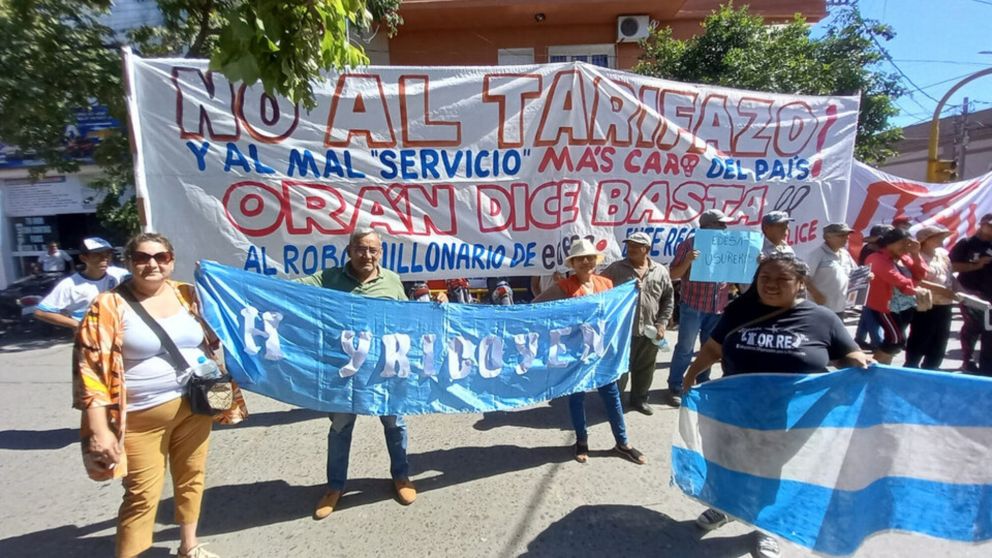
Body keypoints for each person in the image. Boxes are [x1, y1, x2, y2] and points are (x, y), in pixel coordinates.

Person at [682, 252, 871, 558]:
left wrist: (861, 363)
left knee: (772, 475)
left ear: (800, 283)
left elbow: (848, 354)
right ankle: (726, 507)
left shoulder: (822, 319)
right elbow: (713, 348)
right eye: (764, 278)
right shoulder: (738, 311)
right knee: (727, 464)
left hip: (790, 420)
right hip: (734, 412)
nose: (770, 285)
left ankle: (767, 527)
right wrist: (691, 375)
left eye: (782, 279)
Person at [73, 232, 247, 558]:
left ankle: (189, 546)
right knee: (142, 495)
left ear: (171, 261)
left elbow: (212, 338)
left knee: (192, 477)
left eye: (160, 257)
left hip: (196, 405)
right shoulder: (108, 305)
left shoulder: (186, 294)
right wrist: (98, 430)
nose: (151, 264)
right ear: (128, 262)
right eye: (142, 257)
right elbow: (90, 372)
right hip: (141, 417)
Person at [296, 229, 417, 519]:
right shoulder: (328, 279)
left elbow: (407, 316)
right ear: (349, 250)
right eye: (361, 249)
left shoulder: (391, 280)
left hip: (383, 368)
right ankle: (335, 487)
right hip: (343, 371)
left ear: (381, 253)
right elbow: (289, 291)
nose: (367, 256)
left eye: (373, 250)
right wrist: (241, 283)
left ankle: (401, 477)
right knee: (340, 429)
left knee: (395, 425)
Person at [533, 239, 646, 465]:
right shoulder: (565, 287)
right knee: (577, 397)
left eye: (590, 257)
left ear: (596, 260)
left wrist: (634, 291)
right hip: (576, 353)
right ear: (572, 263)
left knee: (612, 395)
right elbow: (538, 306)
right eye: (580, 258)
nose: (586, 261)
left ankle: (622, 443)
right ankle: (582, 442)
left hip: (602, 352)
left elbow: (617, 311)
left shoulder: (605, 283)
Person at [601, 231, 675, 415]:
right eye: (630, 245)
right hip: (622, 331)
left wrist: (662, 323)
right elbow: (600, 292)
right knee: (620, 369)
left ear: (647, 249)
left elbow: (668, 299)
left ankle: (639, 399)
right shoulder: (616, 269)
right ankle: (614, 402)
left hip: (650, 330)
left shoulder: (660, 271)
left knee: (646, 367)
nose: (631, 249)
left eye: (636, 246)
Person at [665, 209, 733, 407]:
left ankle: (702, 383)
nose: (725, 228)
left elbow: (736, 274)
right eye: (721, 225)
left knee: (709, 348)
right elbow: (673, 274)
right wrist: (687, 261)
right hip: (693, 305)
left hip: (717, 306)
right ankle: (675, 385)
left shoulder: (729, 245)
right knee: (685, 348)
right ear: (709, 226)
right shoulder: (688, 244)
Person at [864, 228, 928, 365]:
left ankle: (884, 369)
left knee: (893, 341)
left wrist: (916, 254)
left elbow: (920, 274)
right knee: (896, 340)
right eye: (902, 243)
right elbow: (898, 281)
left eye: (908, 243)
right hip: (885, 307)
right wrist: (915, 287)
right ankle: (869, 369)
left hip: (906, 306)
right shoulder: (876, 258)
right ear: (889, 243)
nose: (906, 246)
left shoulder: (904, 258)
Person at [35, 237, 130, 330]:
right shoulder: (70, 285)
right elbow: (41, 312)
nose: (104, 259)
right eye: (97, 255)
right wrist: (79, 325)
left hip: (119, 335)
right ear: (83, 258)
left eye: (108, 254)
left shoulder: (119, 275)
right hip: (90, 341)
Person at [905, 225, 958, 370]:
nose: (942, 239)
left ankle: (932, 368)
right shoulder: (915, 256)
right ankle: (911, 368)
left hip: (945, 302)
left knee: (940, 339)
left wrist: (958, 290)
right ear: (926, 240)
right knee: (920, 337)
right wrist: (940, 289)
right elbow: (913, 279)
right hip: (926, 303)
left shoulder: (942, 254)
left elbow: (949, 275)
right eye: (938, 237)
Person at [949, 212, 992, 374]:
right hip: (970, 291)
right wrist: (976, 265)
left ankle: (987, 365)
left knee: (990, 329)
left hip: (990, 292)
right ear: (982, 224)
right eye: (990, 225)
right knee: (974, 326)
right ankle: (968, 360)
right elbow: (952, 266)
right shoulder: (967, 243)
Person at [804, 223, 858, 319]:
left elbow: (855, 272)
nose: (846, 238)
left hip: (840, 307)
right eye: (841, 235)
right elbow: (805, 277)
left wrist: (867, 275)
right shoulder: (817, 254)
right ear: (827, 237)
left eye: (847, 235)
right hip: (821, 307)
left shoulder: (845, 254)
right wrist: (816, 294)